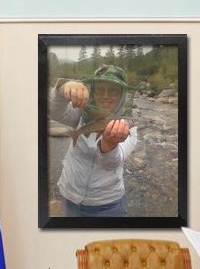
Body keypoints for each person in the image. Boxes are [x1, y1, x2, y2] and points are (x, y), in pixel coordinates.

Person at [49, 64, 138, 217]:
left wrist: (109, 145)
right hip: (70, 197)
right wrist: (62, 87)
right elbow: (54, 112)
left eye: (113, 91)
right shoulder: (80, 113)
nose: (106, 96)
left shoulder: (129, 128)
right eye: (100, 89)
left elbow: (112, 163)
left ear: (122, 95)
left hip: (108, 205)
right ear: (93, 92)